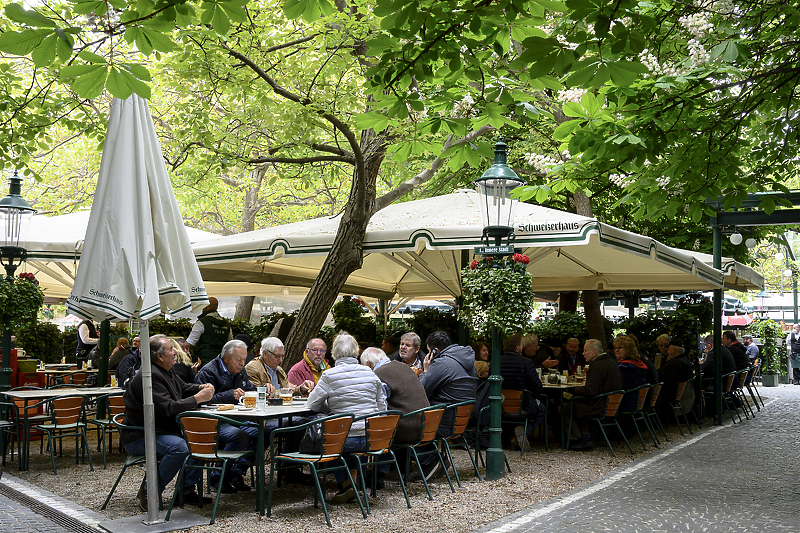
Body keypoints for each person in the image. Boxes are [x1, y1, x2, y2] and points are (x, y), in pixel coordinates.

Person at [120, 335, 214, 511]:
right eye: (171, 349)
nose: (176, 352)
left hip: (161, 430)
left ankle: (185, 491)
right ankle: (149, 490)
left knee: (199, 440)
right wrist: (197, 398)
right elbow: (168, 408)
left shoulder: (165, 370)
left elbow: (183, 388)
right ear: (160, 356)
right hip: (140, 435)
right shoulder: (149, 376)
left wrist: (200, 388)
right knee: (179, 448)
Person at [306, 333, 385, 504]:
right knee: (360, 430)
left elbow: (312, 405)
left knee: (332, 439)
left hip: (342, 440)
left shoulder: (329, 375)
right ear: (356, 352)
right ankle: (353, 485)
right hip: (372, 439)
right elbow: (382, 407)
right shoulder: (370, 373)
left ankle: (347, 484)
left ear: (334, 353)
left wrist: (330, 406)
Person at [193, 339, 258, 493]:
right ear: (226, 358)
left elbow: (249, 389)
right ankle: (217, 476)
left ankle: (236, 471)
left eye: (244, 359)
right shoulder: (208, 372)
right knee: (240, 436)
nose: (242, 363)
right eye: (238, 360)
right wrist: (230, 395)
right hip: (214, 422)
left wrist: (262, 392)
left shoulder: (240, 371)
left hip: (236, 419)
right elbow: (200, 400)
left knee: (264, 431)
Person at [417, 331, 478, 479]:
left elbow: (421, 390)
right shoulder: (468, 363)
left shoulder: (441, 364)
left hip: (443, 422)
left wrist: (426, 370)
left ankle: (431, 461)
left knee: (407, 426)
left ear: (435, 351)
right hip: (461, 421)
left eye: (428, 351)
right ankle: (429, 461)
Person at [564, 339, 622, 451]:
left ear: (594, 352)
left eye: (585, 350)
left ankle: (579, 439)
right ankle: (584, 436)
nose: (583, 353)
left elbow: (590, 391)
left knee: (565, 408)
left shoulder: (597, 366)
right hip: (610, 405)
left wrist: (575, 390)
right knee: (577, 404)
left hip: (598, 406)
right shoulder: (612, 363)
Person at [499, 334, 544, 450]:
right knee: (542, 407)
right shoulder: (526, 362)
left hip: (501, 405)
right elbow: (538, 387)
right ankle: (524, 432)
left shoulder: (496, 361)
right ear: (517, 347)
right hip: (524, 405)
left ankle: (515, 435)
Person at [245, 337, 314, 395]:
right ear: (265, 353)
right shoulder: (253, 368)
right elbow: (255, 395)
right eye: (277, 356)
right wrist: (284, 391)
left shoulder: (278, 369)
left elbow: (289, 388)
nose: (280, 360)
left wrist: (301, 388)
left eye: (282, 356)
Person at [186, 297, 233, 369]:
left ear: (205, 307)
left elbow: (189, 343)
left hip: (204, 362)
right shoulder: (226, 324)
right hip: (220, 363)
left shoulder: (202, 323)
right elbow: (230, 344)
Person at [614, 335, 648, 413]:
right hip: (635, 402)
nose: (616, 350)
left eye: (620, 348)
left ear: (628, 349)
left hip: (625, 403)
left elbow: (619, 387)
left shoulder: (625, 368)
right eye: (615, 348)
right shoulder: (638, 364)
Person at [658, 344, 695, 414]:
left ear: (674, 349)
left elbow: (665, 379)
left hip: (671, 394)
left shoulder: (675, 363)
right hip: (682, 393)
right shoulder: (684, 360)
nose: (668, 352)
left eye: (668, 349)